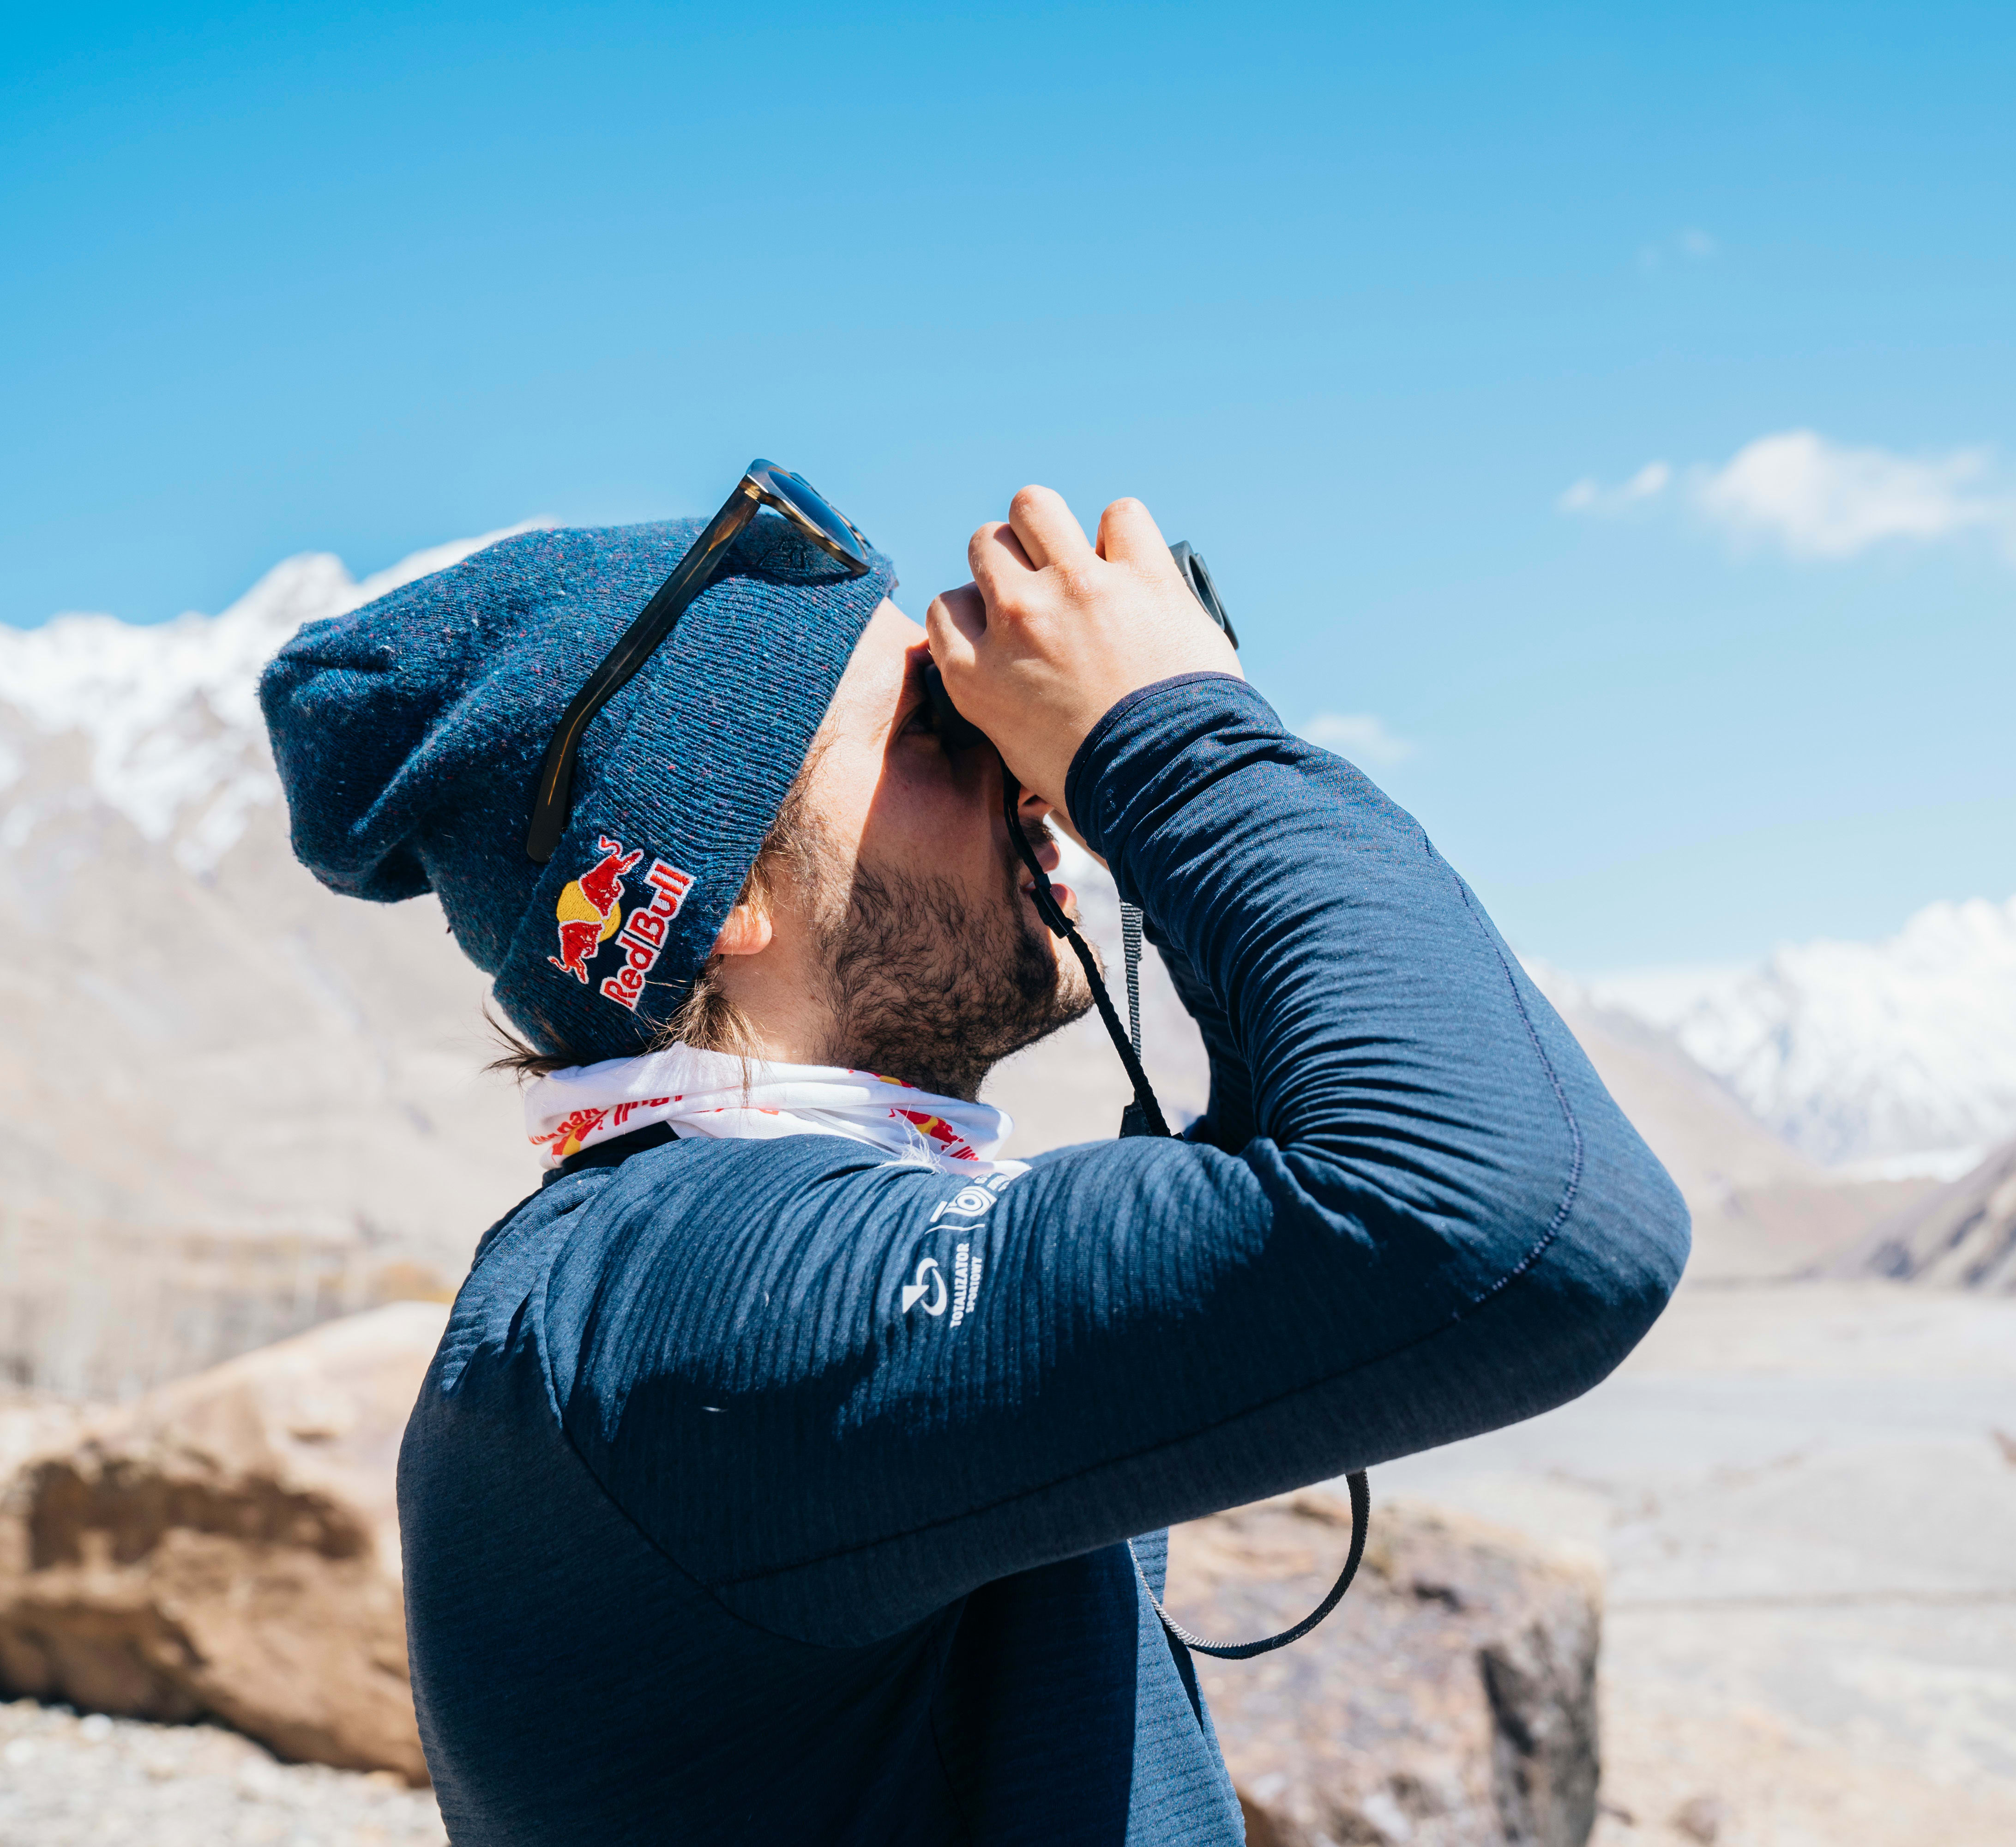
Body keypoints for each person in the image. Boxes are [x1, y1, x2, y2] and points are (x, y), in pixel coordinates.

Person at [260, 474, 1689, 1845]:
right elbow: (1510, 1215)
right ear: (722, 890)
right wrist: (1172, 744)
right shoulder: (696, 1305)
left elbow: (1323, 1193)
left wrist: (1158, 794)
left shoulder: (654, 1270)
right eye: (942, 734)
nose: (1028, 782)